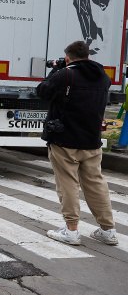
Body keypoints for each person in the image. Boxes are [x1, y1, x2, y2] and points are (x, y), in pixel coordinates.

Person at [37, 40, 118, 246]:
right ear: (87, 56)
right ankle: (108, 230)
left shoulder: (65, 74)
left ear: (67, 57)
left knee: (67, 184)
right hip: (91, 140)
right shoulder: (102, 76)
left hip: (65, 140)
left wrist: (55, 70)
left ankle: (71, 230)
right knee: (96, 183)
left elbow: (42, 92)